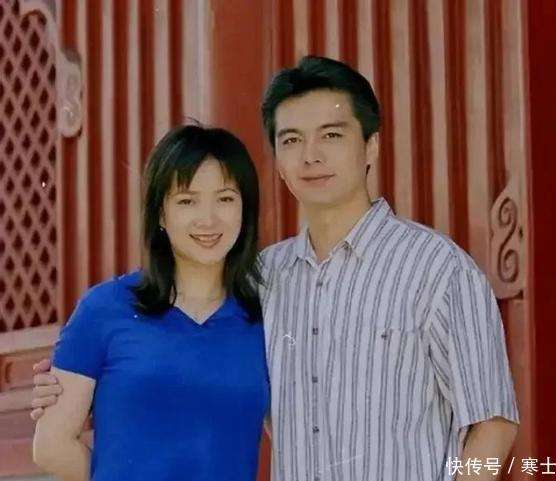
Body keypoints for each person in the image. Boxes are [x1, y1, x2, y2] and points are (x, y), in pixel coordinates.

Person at [33, 56, 519, 481]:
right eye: (291, 140)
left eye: (332, 135)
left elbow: (494, 424)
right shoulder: (264, 279)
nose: (311, 155)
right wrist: (83, 380)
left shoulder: (437, 269)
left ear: (371, 146)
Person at [31, 126, 269, 481]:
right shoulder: (104, 309)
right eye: (187, 201)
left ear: (244, 208)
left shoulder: (267, 319)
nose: (208, 219)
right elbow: (51, 446)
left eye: (225, 199)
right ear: (160, 214)